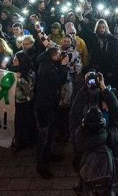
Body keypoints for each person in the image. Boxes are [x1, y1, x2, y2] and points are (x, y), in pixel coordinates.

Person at [34, 46, 70, 179]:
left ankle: (48, 155)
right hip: (44, 106)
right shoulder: (47, 68)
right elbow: (60, 80)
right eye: (59, 54)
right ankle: (41, 164)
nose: (60, 56)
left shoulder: (47, 63)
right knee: (43, 135)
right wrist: (64, 66)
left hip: (49, 104)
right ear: (54, 56)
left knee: (49, 133)